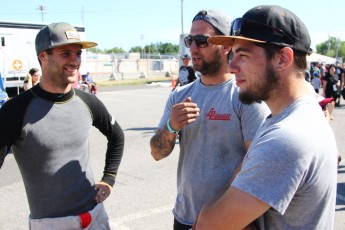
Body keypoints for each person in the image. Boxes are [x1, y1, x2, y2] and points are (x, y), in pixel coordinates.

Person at [194, 5, 338, 229]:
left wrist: (205, 213)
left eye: (243, 55)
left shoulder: (288, 137)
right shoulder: (304, 111)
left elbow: (209, 225)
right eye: (232, 55)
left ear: (282, 59)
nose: (231, 66)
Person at [150, 9, 269, 230]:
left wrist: (217, 212)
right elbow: (157, 153)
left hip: (229, 221)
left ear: (225, 46)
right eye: (190, 40)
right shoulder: (179, 95)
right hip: (185, 218)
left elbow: (256, 164)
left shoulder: (245, 97)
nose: (193, 48)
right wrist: (170, 127)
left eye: (202, 41)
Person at [0, 22, 125, 229]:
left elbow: (117, 135)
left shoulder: (87, 101)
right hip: (50, 224)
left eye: (78, 54)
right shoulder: (16, 110)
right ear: (43, 57)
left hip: (95, 218)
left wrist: (109, 178)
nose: (75, 61)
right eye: (66, 53)